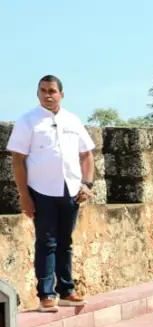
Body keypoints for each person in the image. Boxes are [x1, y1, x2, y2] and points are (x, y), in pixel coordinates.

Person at [5, 75, 94, 312]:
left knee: (65, 242)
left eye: (52, 91)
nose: (47, 95)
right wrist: (24, 195)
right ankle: (46, 294)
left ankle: (67, 290)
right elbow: (18, 160)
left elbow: (86, 154)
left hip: (71, 190)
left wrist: (87, 184)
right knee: (46, 242)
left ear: (61, 94)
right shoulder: (28, 121)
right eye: (43, 90)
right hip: (41, 190)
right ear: (38, 94)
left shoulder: (72, 120)